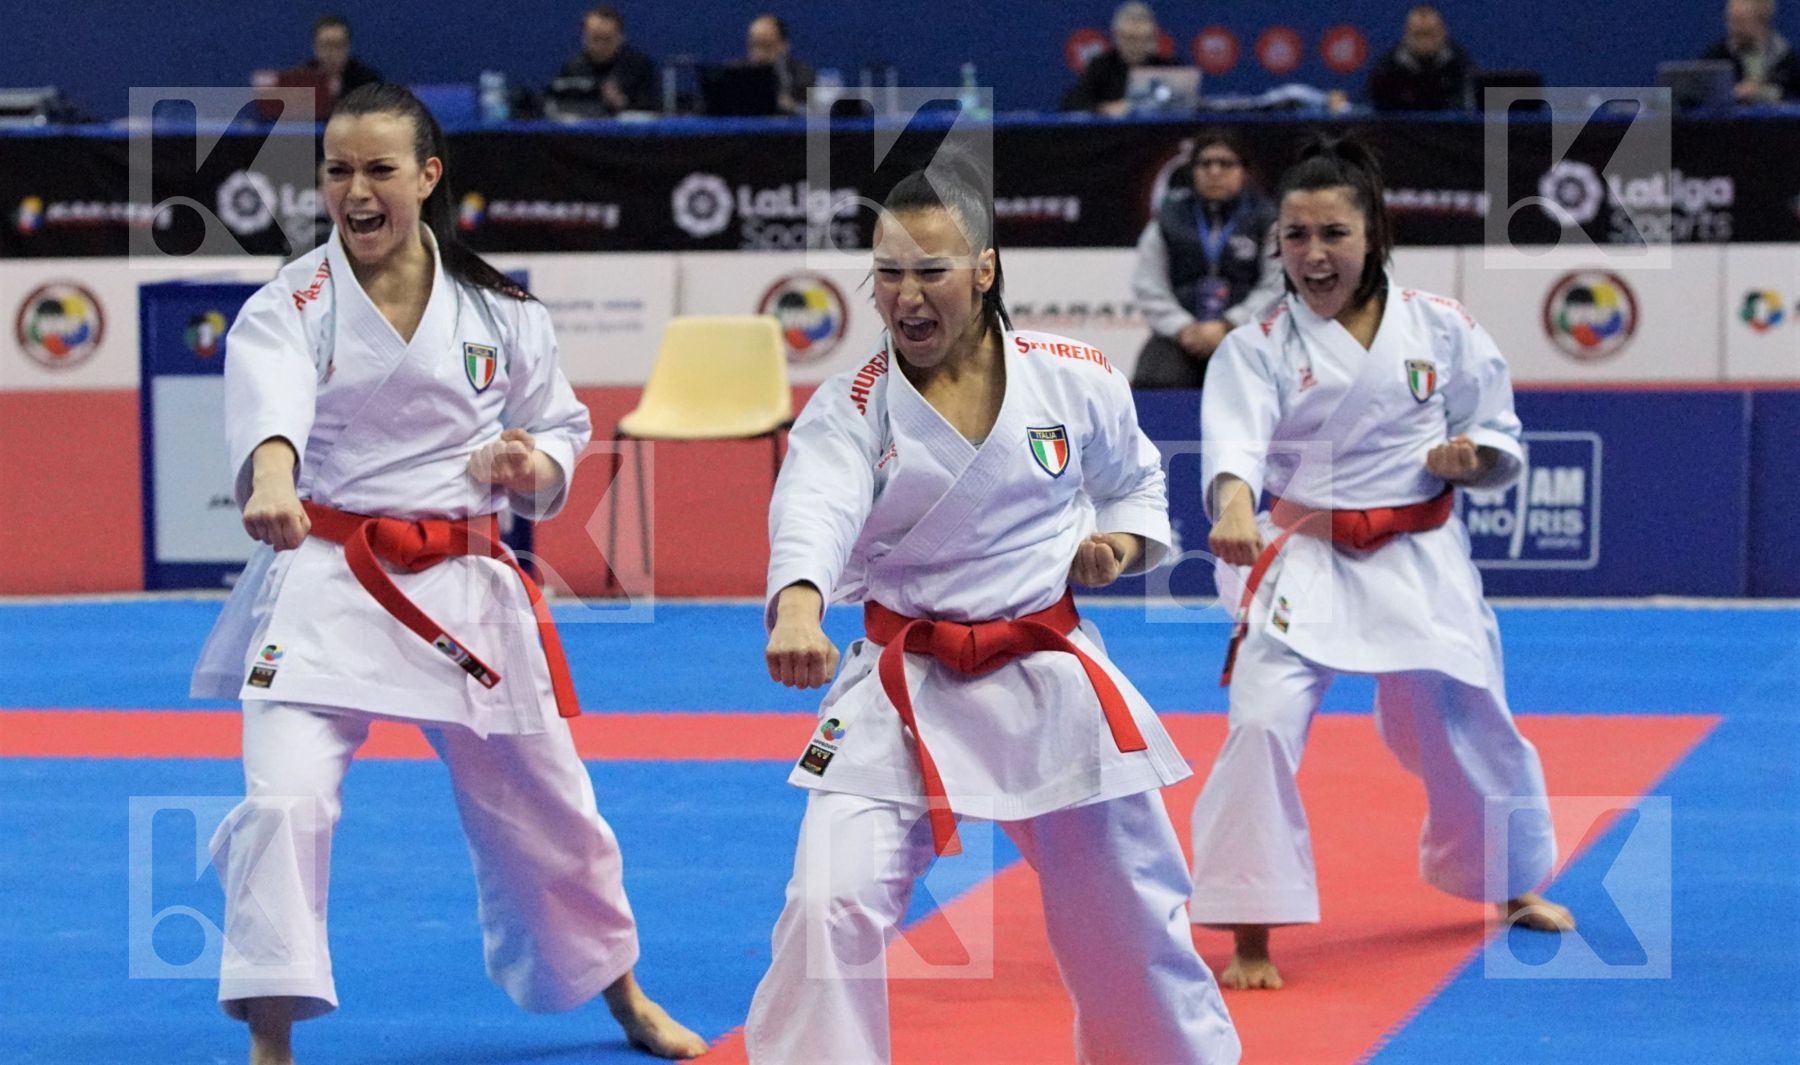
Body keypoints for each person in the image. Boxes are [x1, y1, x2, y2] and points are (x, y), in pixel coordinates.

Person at [189, 84, 706, 1064]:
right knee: (283, 801)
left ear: (427, 177)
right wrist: (270, 478)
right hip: (329, 575)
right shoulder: (289, 304)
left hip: (463, 586)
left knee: (550, 803)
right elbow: (271, 411)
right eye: (338, 170)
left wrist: (534, 467)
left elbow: (558, 426)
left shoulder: (500, 309)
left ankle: (626, 996)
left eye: (380, 168)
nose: (356, 190)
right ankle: (270, 1042)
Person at [742, 152, 1241, 1065]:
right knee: (828, 899)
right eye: (887, 274)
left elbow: (1134, 484)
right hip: (905, 681)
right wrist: (799, 609)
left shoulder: (1074, 375)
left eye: (931, 270)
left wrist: (1117, 548)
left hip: (1046, 669)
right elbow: (813, 507)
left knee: (1128, 907)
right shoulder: (853, 405)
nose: (906, 296)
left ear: (985, 266)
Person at [1185, 135, 1576, 991]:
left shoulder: (1441, 325)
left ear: (1374, 237)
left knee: (1461, 719)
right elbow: (1235, 448)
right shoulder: (1256, 347)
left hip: (1417, 553)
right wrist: (1237, 506)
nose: (1313, 254)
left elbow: (1497, 427)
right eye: (1295, 236)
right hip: (1303, 557)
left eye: (1333, 233)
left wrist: (1475, 458)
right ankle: (1251, 928)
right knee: (1258, 723)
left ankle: (1510, 884)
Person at [1131, 130, 1282, 390]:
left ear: (1243, 171)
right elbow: (1148, 284)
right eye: (1205, 163)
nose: (1214, 171)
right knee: (1155, 380)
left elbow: (1276, 285)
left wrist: (1230, 324)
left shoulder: (1267, 218)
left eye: (1225, 163)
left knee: (1265, 381)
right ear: (1193, 171)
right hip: (1180, 335)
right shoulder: (1168, 218)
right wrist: (1183, 328)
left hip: (1246, 332)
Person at [1060, 2, 1177, 115]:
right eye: (1130, 38)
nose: (1137, 45)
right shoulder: (1101, 66)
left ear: (1154, 38)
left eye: (1144, 38)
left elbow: (1188, 104)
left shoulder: (1167, 67)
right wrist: (1105, 109)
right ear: (1117, 37)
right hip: (1112, 133)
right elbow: (1071, 103)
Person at [546, 5, 660, 117]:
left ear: (620, 37)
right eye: (595, 39)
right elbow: (556, 104)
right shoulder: (572, 67)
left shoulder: (639, 67)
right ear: (584, 38)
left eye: (607, 39)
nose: (600, 46)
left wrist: (622, 103)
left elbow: (652, 111)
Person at [1365, 5, 1472, 112]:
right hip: (1400, 128)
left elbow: (1473, 107)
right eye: (1418, 35)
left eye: (1429, 34)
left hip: (1451, 128)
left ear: (1443, 33)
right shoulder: (1388, 67)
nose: (1424, 41)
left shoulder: (1458, 63)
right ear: (1406, 35)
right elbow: (1369, 106)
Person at [1701, 0, 1800, 103]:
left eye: (1740, 21)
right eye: (1730, 20)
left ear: (1761, 22)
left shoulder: (1785, 58)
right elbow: (1698, 96)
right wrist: (1732, 94)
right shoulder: (1717, 57)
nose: (1732, 27)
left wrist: (1765, 92)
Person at [746, 13, 814, 114]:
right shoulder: (737, 77)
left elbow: (816, 115)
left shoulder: (803, 74)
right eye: (754, 46)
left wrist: (792, 107)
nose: (759, 54)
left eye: (766, 46)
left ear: (783, 45)